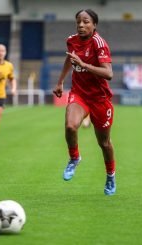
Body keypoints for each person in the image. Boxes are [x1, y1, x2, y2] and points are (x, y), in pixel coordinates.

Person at [53, 9, 116, 195]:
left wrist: (84, 65)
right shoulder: (71, 40)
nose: (81, 25)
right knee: (71, 126)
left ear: (94, 25)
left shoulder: (99, 44)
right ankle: (74, 158)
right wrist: (60, 81)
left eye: (86, 22)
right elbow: (69, 58)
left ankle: (110, 175)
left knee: (104, 143)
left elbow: (109, 73)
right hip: (79, 94)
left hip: (100, 98)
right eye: (78, 22)